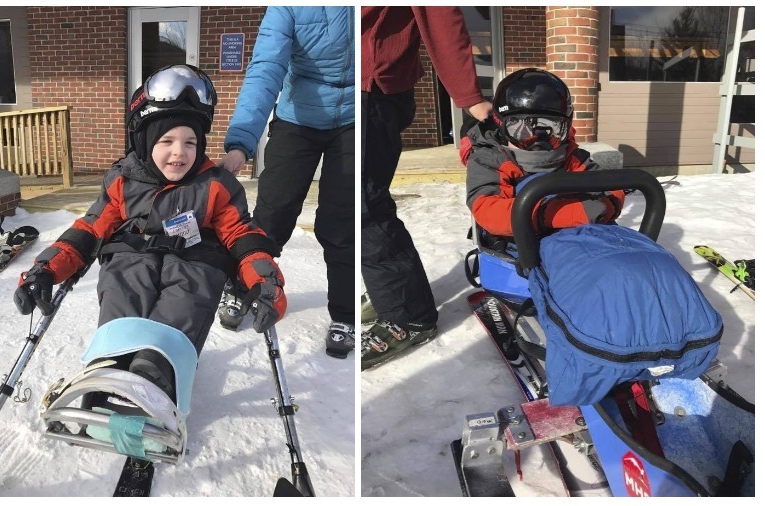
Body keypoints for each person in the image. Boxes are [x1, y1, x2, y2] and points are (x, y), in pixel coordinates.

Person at [13, 64, 287, 400]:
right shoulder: (123, 181)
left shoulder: (215, 184)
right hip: (131, 259)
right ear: (143, 141)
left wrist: (265, 282)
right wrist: (45, 269)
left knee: (186, 296)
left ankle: (159, 368)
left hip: (195, 264)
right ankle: (110, 361)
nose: (179, 152)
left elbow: (242, 235)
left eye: (190, 142)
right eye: (167, 140)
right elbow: (88, 229)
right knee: (124, 286)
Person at [217, 7, 355, 360]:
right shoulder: (288, 7)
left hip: (357, 116)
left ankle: (345, 314)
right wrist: (241, 142)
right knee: (272, 214)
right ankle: (241, 286)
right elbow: (266, 70)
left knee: (343, 221)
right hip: (299, 117)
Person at [360, 7, 492, 370]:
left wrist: (469, 96)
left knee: (364, 205)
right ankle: (392, 292)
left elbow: (440, 15)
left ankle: (408, 316)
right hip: (349, 86)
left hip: (372, 91)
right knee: (356, 200)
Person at [464, 68, 625, 242]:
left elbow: (611, 187)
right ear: (501, 126)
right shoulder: (491, 159)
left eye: (551, 130)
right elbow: (488, 210)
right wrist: (558, 214)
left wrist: (605, 206)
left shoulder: (572, 157)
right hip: (521, 246)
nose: (537, 142)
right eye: (521, 131)